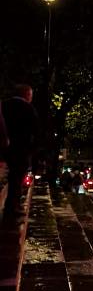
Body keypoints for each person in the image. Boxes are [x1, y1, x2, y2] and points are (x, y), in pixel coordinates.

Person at [1, 83, 39, 222]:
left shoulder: (4, 105)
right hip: (21, 149)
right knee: (17, 178)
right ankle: (12, 208)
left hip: (5, 147)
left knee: (13, 177)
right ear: (27, 95)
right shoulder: (28, 108)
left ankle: (11, 207)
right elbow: (35, 129)